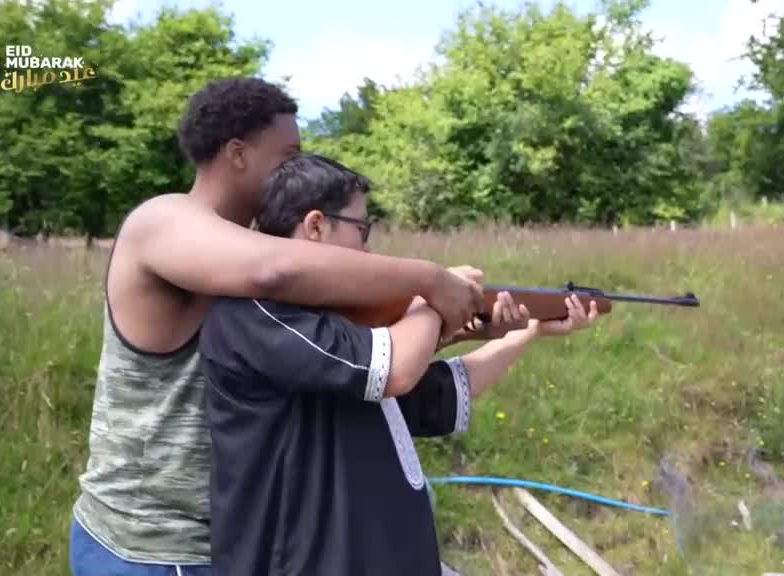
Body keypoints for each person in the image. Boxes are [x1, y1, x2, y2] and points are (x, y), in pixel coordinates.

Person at [68, 78, 485, 576]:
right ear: (238, 153)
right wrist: (430, 280)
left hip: (228, 539)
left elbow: (337, 341)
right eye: (287, 153)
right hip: (152, 542)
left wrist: (455, 319)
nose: (296, 167)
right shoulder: (163, 222)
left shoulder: (245, 248)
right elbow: (275, 271)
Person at [198, 153, 600, 576]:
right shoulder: (255, 313)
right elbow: (394, 370)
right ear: (316, 225)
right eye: (361, 229)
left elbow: (439, 391)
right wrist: (433, 296)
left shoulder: (338, 317)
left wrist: (527, 329)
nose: (369, 248)